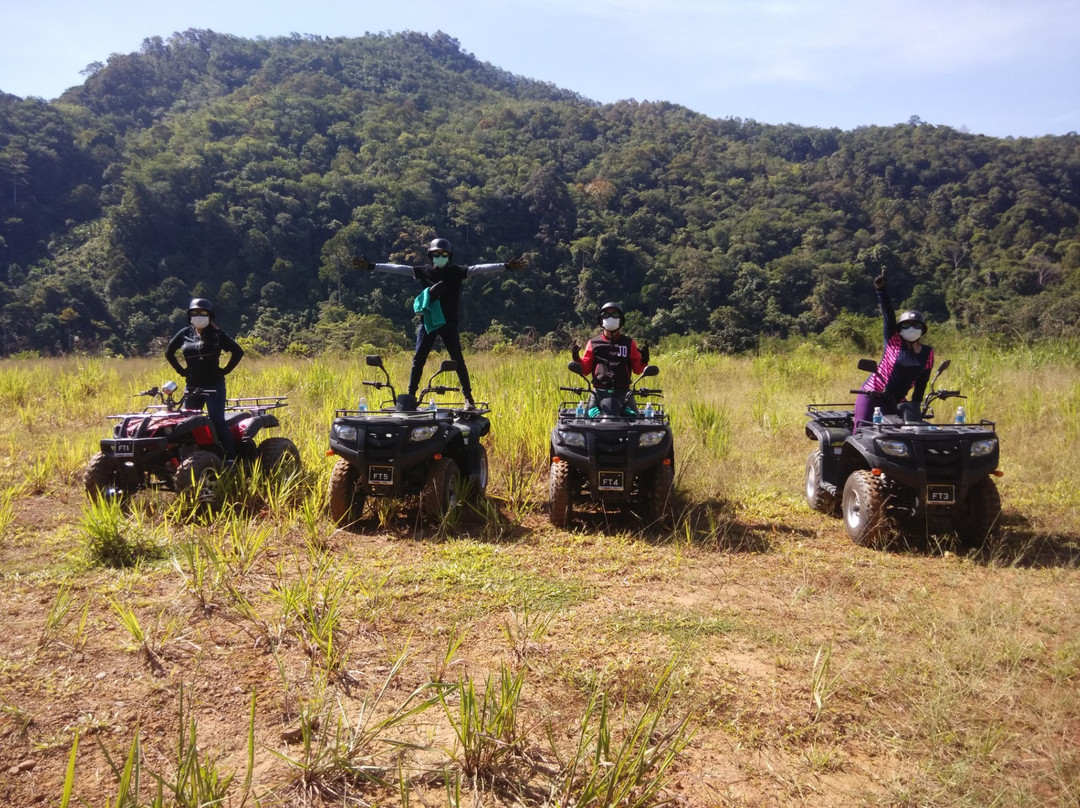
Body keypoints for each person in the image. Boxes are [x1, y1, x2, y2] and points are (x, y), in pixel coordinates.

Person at [352, 238, 526, 408]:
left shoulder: (457, 272)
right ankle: (411, 397)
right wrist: (372, 266)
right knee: (418, 360)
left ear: (449, 256)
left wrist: (506, 267)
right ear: (431, 256)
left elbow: (479, 268)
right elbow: (399, 269)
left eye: (443, 254)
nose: (440, 256)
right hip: (428, 322)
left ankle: (468, 398)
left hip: (448, 322)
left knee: (458, 360)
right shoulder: (424, 271)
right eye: (436, 254)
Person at [165, 298, 245, 460]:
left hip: (214, 385)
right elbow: (169, 352)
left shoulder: (218, 335)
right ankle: (191, 457)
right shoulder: (185, 333)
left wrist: (225, 371)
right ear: (190, 316)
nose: (199, 315)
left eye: (203, 313)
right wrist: (181, 371)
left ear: (210, 316)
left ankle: (230, 459)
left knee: (216, 419)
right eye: (195, 313)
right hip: (192, 385)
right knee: (188, 422)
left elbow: (238, 352)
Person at [854, 270, 934, 430]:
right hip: (873, 394)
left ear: (922, 329)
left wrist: (915, 408)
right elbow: (888, 316)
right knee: (862, 433)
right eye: (906, 325)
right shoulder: (894, 340)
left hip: (898, 401)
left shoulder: (927, 353)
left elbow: (921, 384)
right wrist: (881, 291)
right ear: (900, 328)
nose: (911, 328)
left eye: (916, 325)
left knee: (909, 437)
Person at [572, 301, 650, 417]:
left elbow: (638, 370)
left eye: (615, 315)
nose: (610, 318)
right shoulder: (593, 343)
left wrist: (644, 360)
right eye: (606, 315)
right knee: (587, 421)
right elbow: (585, 369)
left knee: (636, 421)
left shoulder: (629, 343)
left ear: (621, 320)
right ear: (601, 319)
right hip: (598, 392)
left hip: (624, 393)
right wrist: (577, 358)